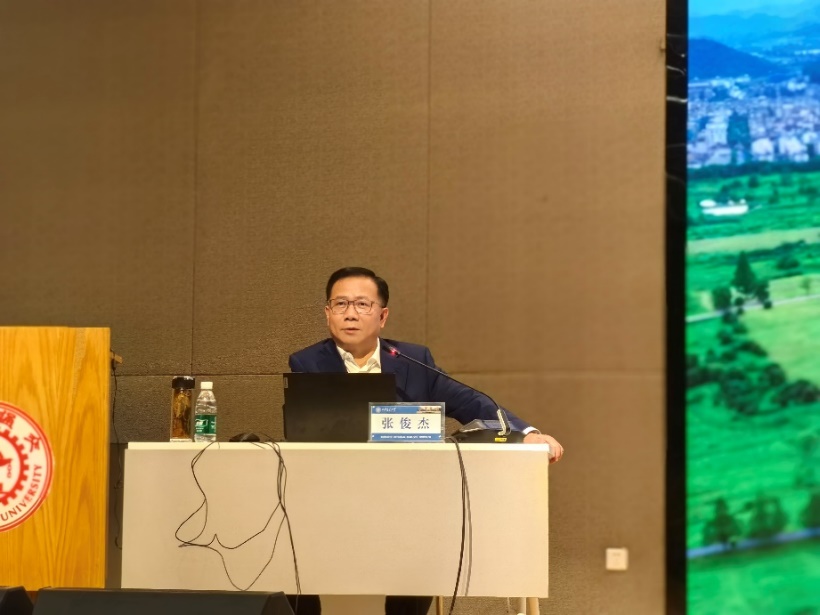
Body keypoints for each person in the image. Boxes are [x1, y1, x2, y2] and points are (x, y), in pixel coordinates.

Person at [286, 266, 564, 615]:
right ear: (328, 312)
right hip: (334, 496)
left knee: (420, 544)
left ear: (382, 315)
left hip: (406, 497)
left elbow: (471, 402)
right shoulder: (307, 362)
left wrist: (526, 433)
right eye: (340, 304)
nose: (350, 314)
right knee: (294, 552)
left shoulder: (413, 360)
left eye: (362, 304)